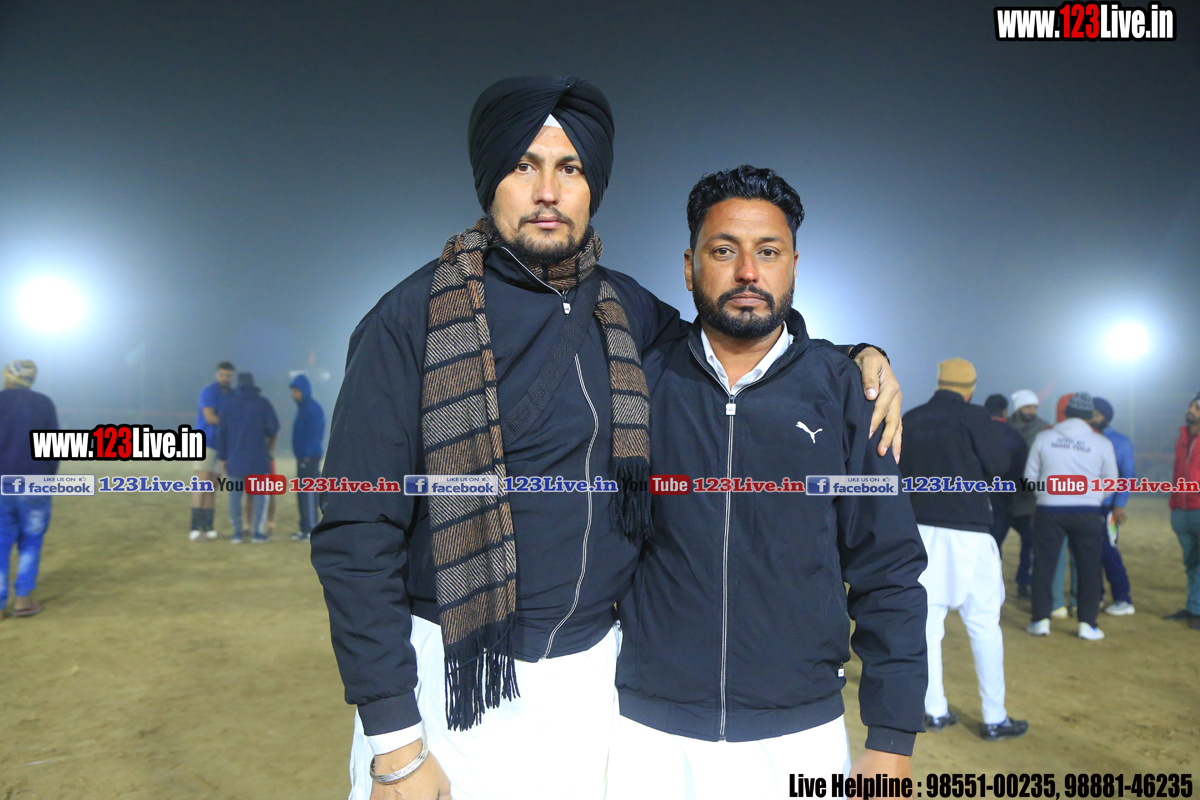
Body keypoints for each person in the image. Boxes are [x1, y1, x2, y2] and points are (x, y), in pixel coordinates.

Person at [310, 75, 903, 800]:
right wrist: (396, 745)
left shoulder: (623, 308)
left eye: (570, 168)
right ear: (490, 179)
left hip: (593, 686)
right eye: (524, 165)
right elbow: (355, 533)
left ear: (593, 185)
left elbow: (738, 336)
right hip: (454, 671)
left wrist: (855, 359)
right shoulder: (410, 319)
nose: (548, 192)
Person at [606, 166, 927, 799]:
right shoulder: (636, 382)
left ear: (794, 266)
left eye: (769, 252)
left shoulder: (845, 391)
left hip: (799, 730)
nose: (748, 272)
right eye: (724, 251)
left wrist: (891, 738)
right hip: (647, 729)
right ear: (690, 267)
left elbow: (887, 567)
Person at [899, 358, 1027, 742]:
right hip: (969, 530)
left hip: (920, 530)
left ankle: (933, 709)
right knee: (984, 625)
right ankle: (994, 717)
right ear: (970, 389)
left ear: (939, 383)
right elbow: (999, 464)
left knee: (927, 627)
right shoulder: (975, 417)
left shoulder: (913, 418)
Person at [1025, 393, 1117, 641]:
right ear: (1090, 417)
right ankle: (1087, 623)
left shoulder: (1044, 438)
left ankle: (1040, 620)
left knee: (1044, 565)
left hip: (1049, 509)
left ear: (1066, 413)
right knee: (1089, 567)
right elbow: (1111, 481)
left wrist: (1046, 494)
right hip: (1087, 511)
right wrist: (1092, 496)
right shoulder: (1101, 443)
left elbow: (1029, 477)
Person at [0, 360, 58, 619]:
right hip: (35, 483)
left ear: (7, 377)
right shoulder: (44, 403)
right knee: (31, 542)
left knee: (0, 542)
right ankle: (22, 601)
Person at [217, 372, 279, 544]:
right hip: (259, 458)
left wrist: (223, 457)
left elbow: (222, 433)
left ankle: (237, 532)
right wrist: (268, 447)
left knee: (235, 498)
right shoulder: (263, 403)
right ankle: (257, 532)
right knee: (260, 497)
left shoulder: (228, 404)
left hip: (235, 459)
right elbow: (273, 428)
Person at [1091, 397, 1136, 616]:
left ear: (1104, 417)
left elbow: (1128, 475)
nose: (1090, 418)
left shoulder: (1121, 442)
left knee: (1108, 551)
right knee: (1090, 553)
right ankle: (1096, 595)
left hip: (1108, 508)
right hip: (1087, 506)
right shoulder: (1088, 438)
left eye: (1094, 414)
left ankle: (1123, 598)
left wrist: (1119, 505)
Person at [1007, 389, 1049, 598]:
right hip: (1005, 496)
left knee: (1030, 544)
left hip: (1030, 499)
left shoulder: (1044, 429)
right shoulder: (1005, 427)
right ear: (1018, 408)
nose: (1032, 411)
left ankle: (1024, 582)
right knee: (993, 544)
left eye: (1034, 407)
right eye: (1027, 407)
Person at [1164, 393, 1200, 630]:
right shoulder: (1182, 437)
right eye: (1191, 406)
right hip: (1181, 509)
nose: (1191, 410)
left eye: (1196, 407)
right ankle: (1194, 607)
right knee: (1191, 563)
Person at [189, 361, 235, 541]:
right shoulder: (208, 391)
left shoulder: (232, 394)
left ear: (232, 376)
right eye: (222, 374)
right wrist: (234, 423)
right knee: (202, 484)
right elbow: (209, 417)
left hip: (221, 444)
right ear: (217, 375)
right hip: (205, 442)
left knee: (212, 487)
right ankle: (195, 528)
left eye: (228, 375)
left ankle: (207, 528)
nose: (225, 378)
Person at [983, 393, 1028, 552]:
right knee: (994, 548)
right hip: (1004, 500)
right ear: (1004, 411)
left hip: (973, 500)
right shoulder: (1016, 436)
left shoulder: (973, 432)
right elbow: (1022, 473)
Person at [289, 374, 325, 541]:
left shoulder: (312, 408)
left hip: (309, 458)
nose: (293, 395)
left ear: (303, 390)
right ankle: (304, 528)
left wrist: (307, 455)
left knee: (309, 493)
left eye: (295, 391)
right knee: (303, 494)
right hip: (303, 457)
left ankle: (311, 529)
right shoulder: (304, 408)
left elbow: (315, 433)